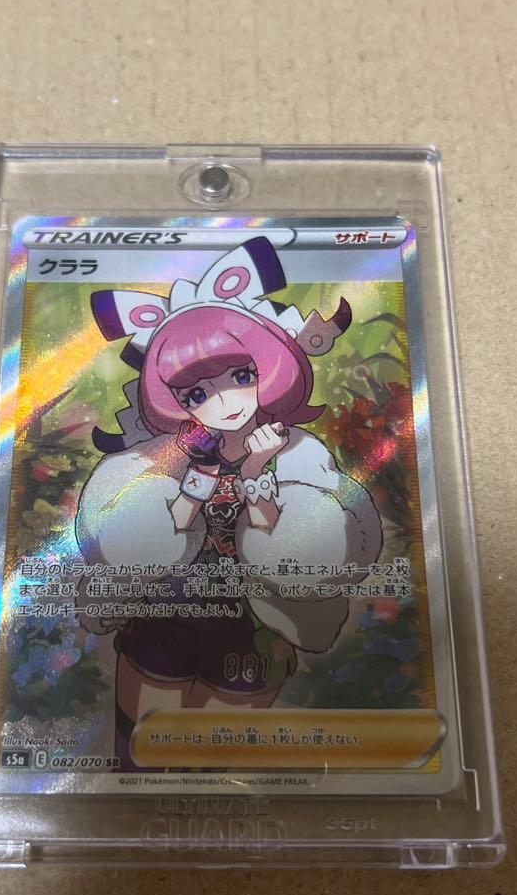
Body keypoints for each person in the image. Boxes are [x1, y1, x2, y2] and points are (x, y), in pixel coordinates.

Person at [74, 238, 381, 768]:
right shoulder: (159, 456)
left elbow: (302, 553)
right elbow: (136, 543)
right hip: (164, 617)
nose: (224, 401)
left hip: (255, 631)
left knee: (212, 760)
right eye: (197, 393)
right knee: (142, 750)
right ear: (175, 400)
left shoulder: (298, 454)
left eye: (241, 377)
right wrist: (195, 478)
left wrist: (257, 472)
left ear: (268, 369)